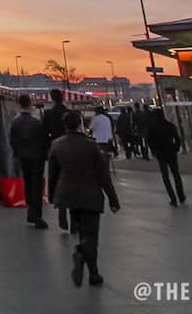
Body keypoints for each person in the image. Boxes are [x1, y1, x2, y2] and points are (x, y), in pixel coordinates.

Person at [48, 110, 120, 287]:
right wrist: (113, 199)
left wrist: (52, 195)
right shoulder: (91, 145)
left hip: (68, 195)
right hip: (91, 195)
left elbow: (53, 174)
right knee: (92, 235)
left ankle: (85, 255)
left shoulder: (56, 145)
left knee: (81, 230)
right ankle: (91, 268)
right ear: (80, 124)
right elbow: (103, 175)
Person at [9, 94, 49, 229]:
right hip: (36, 157)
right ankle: (36, 215)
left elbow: (12, 140)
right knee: (36, 185)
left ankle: (30, 210)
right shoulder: (36, 123)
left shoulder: (15, 122)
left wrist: (17, 152)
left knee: (27, 183)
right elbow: (43, 141)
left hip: (22, 156)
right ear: (30, 104)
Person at [41, 89, 71, 230]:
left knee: (57, 180)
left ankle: (61, 211)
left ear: (52, 98)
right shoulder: (69, 113)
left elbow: (44, 132)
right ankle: (75, 218)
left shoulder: (49, 114)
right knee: (72, 180)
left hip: (55, 149)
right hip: (71, 148)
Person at [146, 108, 186, 206]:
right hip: (171, 152)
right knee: (176, 175)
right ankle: (181, 196)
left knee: (166, 177)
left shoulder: (151, 127)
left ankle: (173, 199)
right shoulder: (169, 125)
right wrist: (175, 148)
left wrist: (154, 151)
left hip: (161, 154)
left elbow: (148, 140)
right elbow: (177, 139)